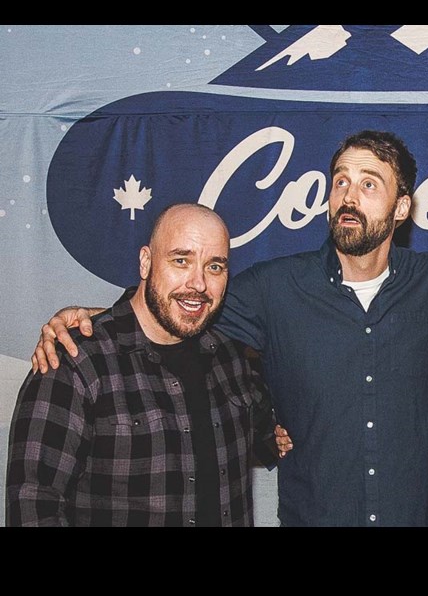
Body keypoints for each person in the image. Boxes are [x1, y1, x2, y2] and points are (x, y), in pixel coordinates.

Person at [32, 131, 428, 527]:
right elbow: (183, 307)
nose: (348, 197)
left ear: (401, 208)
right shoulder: (273, 288)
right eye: (340, 182)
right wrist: (90, 316)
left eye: (369, 185)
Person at [7, 203, 278, 526]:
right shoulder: (75, 362)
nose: (199, 284)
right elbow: (34, 507)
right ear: (146, 262)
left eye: (215, 267)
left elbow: (279, 432)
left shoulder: (231, 359)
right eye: (181, 260)